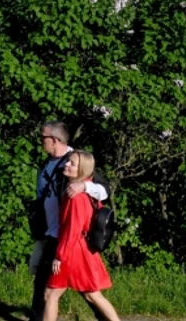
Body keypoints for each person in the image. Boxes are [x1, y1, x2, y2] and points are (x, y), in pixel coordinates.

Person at [29, 121, 110, 321]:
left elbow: (104, 191)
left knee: (70, 292)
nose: (41, 142)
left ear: (54, 140)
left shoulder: (75, 162)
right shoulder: (45, 166)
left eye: (43, 138)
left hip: (68, 239)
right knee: (49, 289)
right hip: (51, 234)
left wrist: (84, 187)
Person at [43, 150, 120, 321]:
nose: (66, 165)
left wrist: (60, 256)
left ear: (82, 169)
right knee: (92, 295)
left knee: (51, 294)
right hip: (82, 249)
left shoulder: (75, 196)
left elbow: (72, 229)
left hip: (73, 252)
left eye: (72, 163)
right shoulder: (86, 191)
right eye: (67, 162)